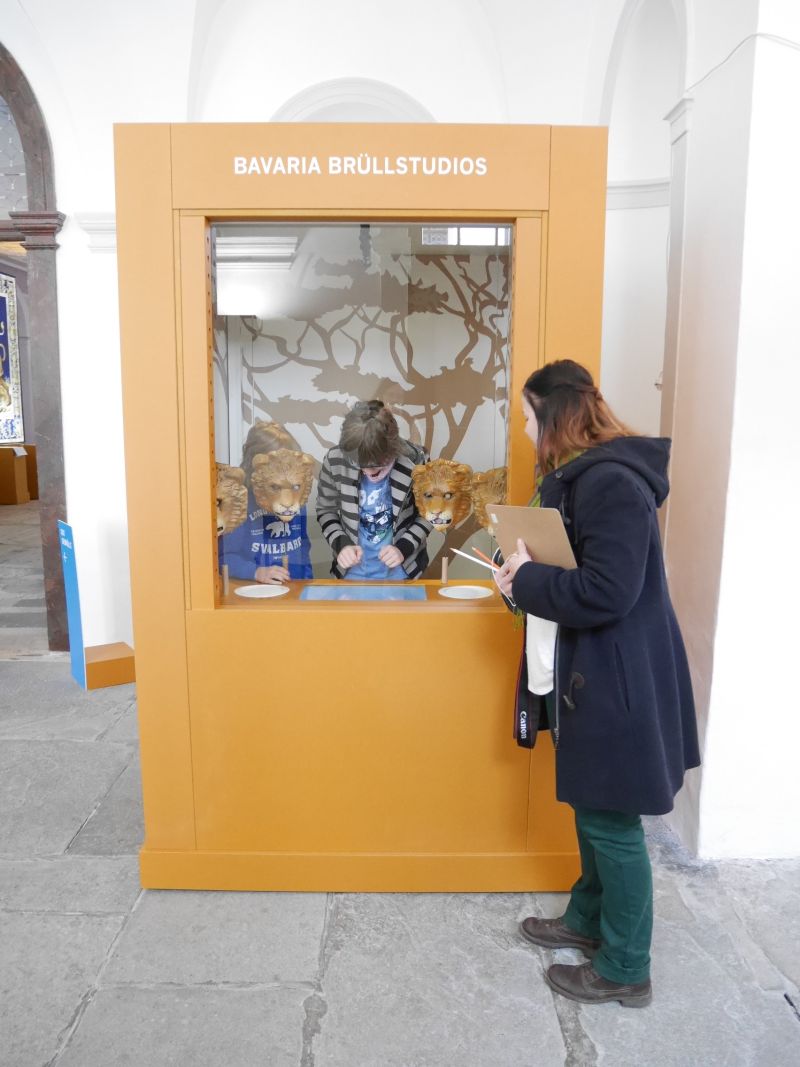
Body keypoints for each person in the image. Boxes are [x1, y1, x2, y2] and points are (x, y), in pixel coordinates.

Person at [496, 359, 699, 1008]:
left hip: (618, 682)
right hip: (595, 675)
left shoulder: (610, 481)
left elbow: (609, 590)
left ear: (555, 415)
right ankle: (587, 920)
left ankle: (625, 966)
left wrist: (527, 580)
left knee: (612, 823)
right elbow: (578, 571)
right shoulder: (586, 478)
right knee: (595, 810)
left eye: (529, 417)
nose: (526, 430)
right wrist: (520, 573)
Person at [316, 399, 432, 579]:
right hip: (350, 574)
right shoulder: (335, 459)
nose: (370, 472)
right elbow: (325, 509)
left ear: (393, 448)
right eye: (360, 465)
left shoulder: (416, 460)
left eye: (378, 465)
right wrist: (341, 545)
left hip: (403, 573)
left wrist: (403, 547)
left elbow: (430, 513)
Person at [219, 422, 313, 584]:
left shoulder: (297, 498)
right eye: (276, 486)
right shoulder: (238, 504)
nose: (287, 501)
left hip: (294, 590)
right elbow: (222, 557)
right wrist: (255, 572)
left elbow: (303, 547)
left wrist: (308, 582)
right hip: (255, 593)